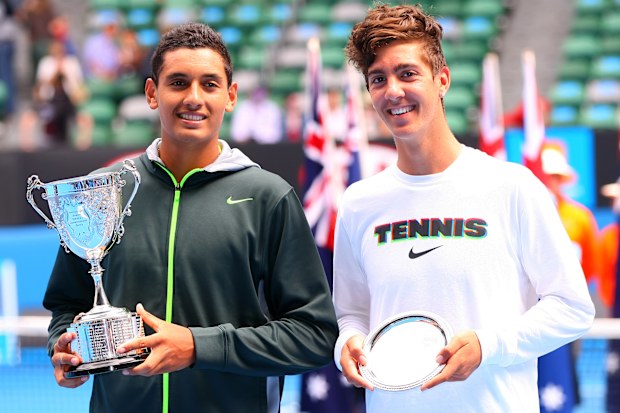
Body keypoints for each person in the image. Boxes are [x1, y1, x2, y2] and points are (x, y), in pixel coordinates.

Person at [43, 22, 338, 412]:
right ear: (152, 93)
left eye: (210, 84)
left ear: (230, 96)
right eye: (178, 83)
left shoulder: (269, 197)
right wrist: (64, 346)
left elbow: (313, 336)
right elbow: (68, 303)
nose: (194, 98)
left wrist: (198, 347)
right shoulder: (104, 192)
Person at [332, 4, 595, 413]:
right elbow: (352, 312)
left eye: (407, 73)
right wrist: (346, 344)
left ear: (442, 79)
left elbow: (573, 308)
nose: (393, 91)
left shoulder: (512, 186)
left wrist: (488, 345)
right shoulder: (358, 203)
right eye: (378, 79)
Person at [537, 141, 599, 412]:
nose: (551, 181)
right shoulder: (526, 213)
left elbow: (593, 266)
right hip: (528, 313)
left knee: (565, 378)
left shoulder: (580, 218)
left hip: (567, 313)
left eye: (556, 176)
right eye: (547, 174)